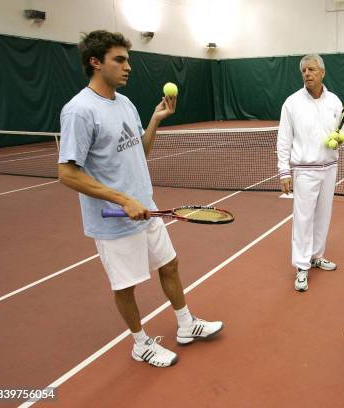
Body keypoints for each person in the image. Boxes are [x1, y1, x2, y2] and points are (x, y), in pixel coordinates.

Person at [58, 30, 223, 368]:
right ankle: (140, 343)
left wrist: (155, 121)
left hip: (146, 209)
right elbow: (67, 173)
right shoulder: (79, 111)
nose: (127, 66)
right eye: (119, 59)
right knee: (126, 285)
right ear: (95, 62)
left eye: (128, 60)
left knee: (170, 265)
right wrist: (122, 200)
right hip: (114, 219)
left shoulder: (126, 103)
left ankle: (186, 325)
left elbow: (141, 150)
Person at [277, 54, 344, 292]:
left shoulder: (335, 101)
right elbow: (284, 139)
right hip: (304, 171)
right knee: (303, 219)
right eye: (304, 70)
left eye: (312, 69)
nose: (307, 74)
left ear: (322, 73)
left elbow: (342, 130)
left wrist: (339, 141)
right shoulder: (292, 103)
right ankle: (302, 266)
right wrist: (284, 171)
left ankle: (316, 256)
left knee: (323, 216)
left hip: (329, 168)